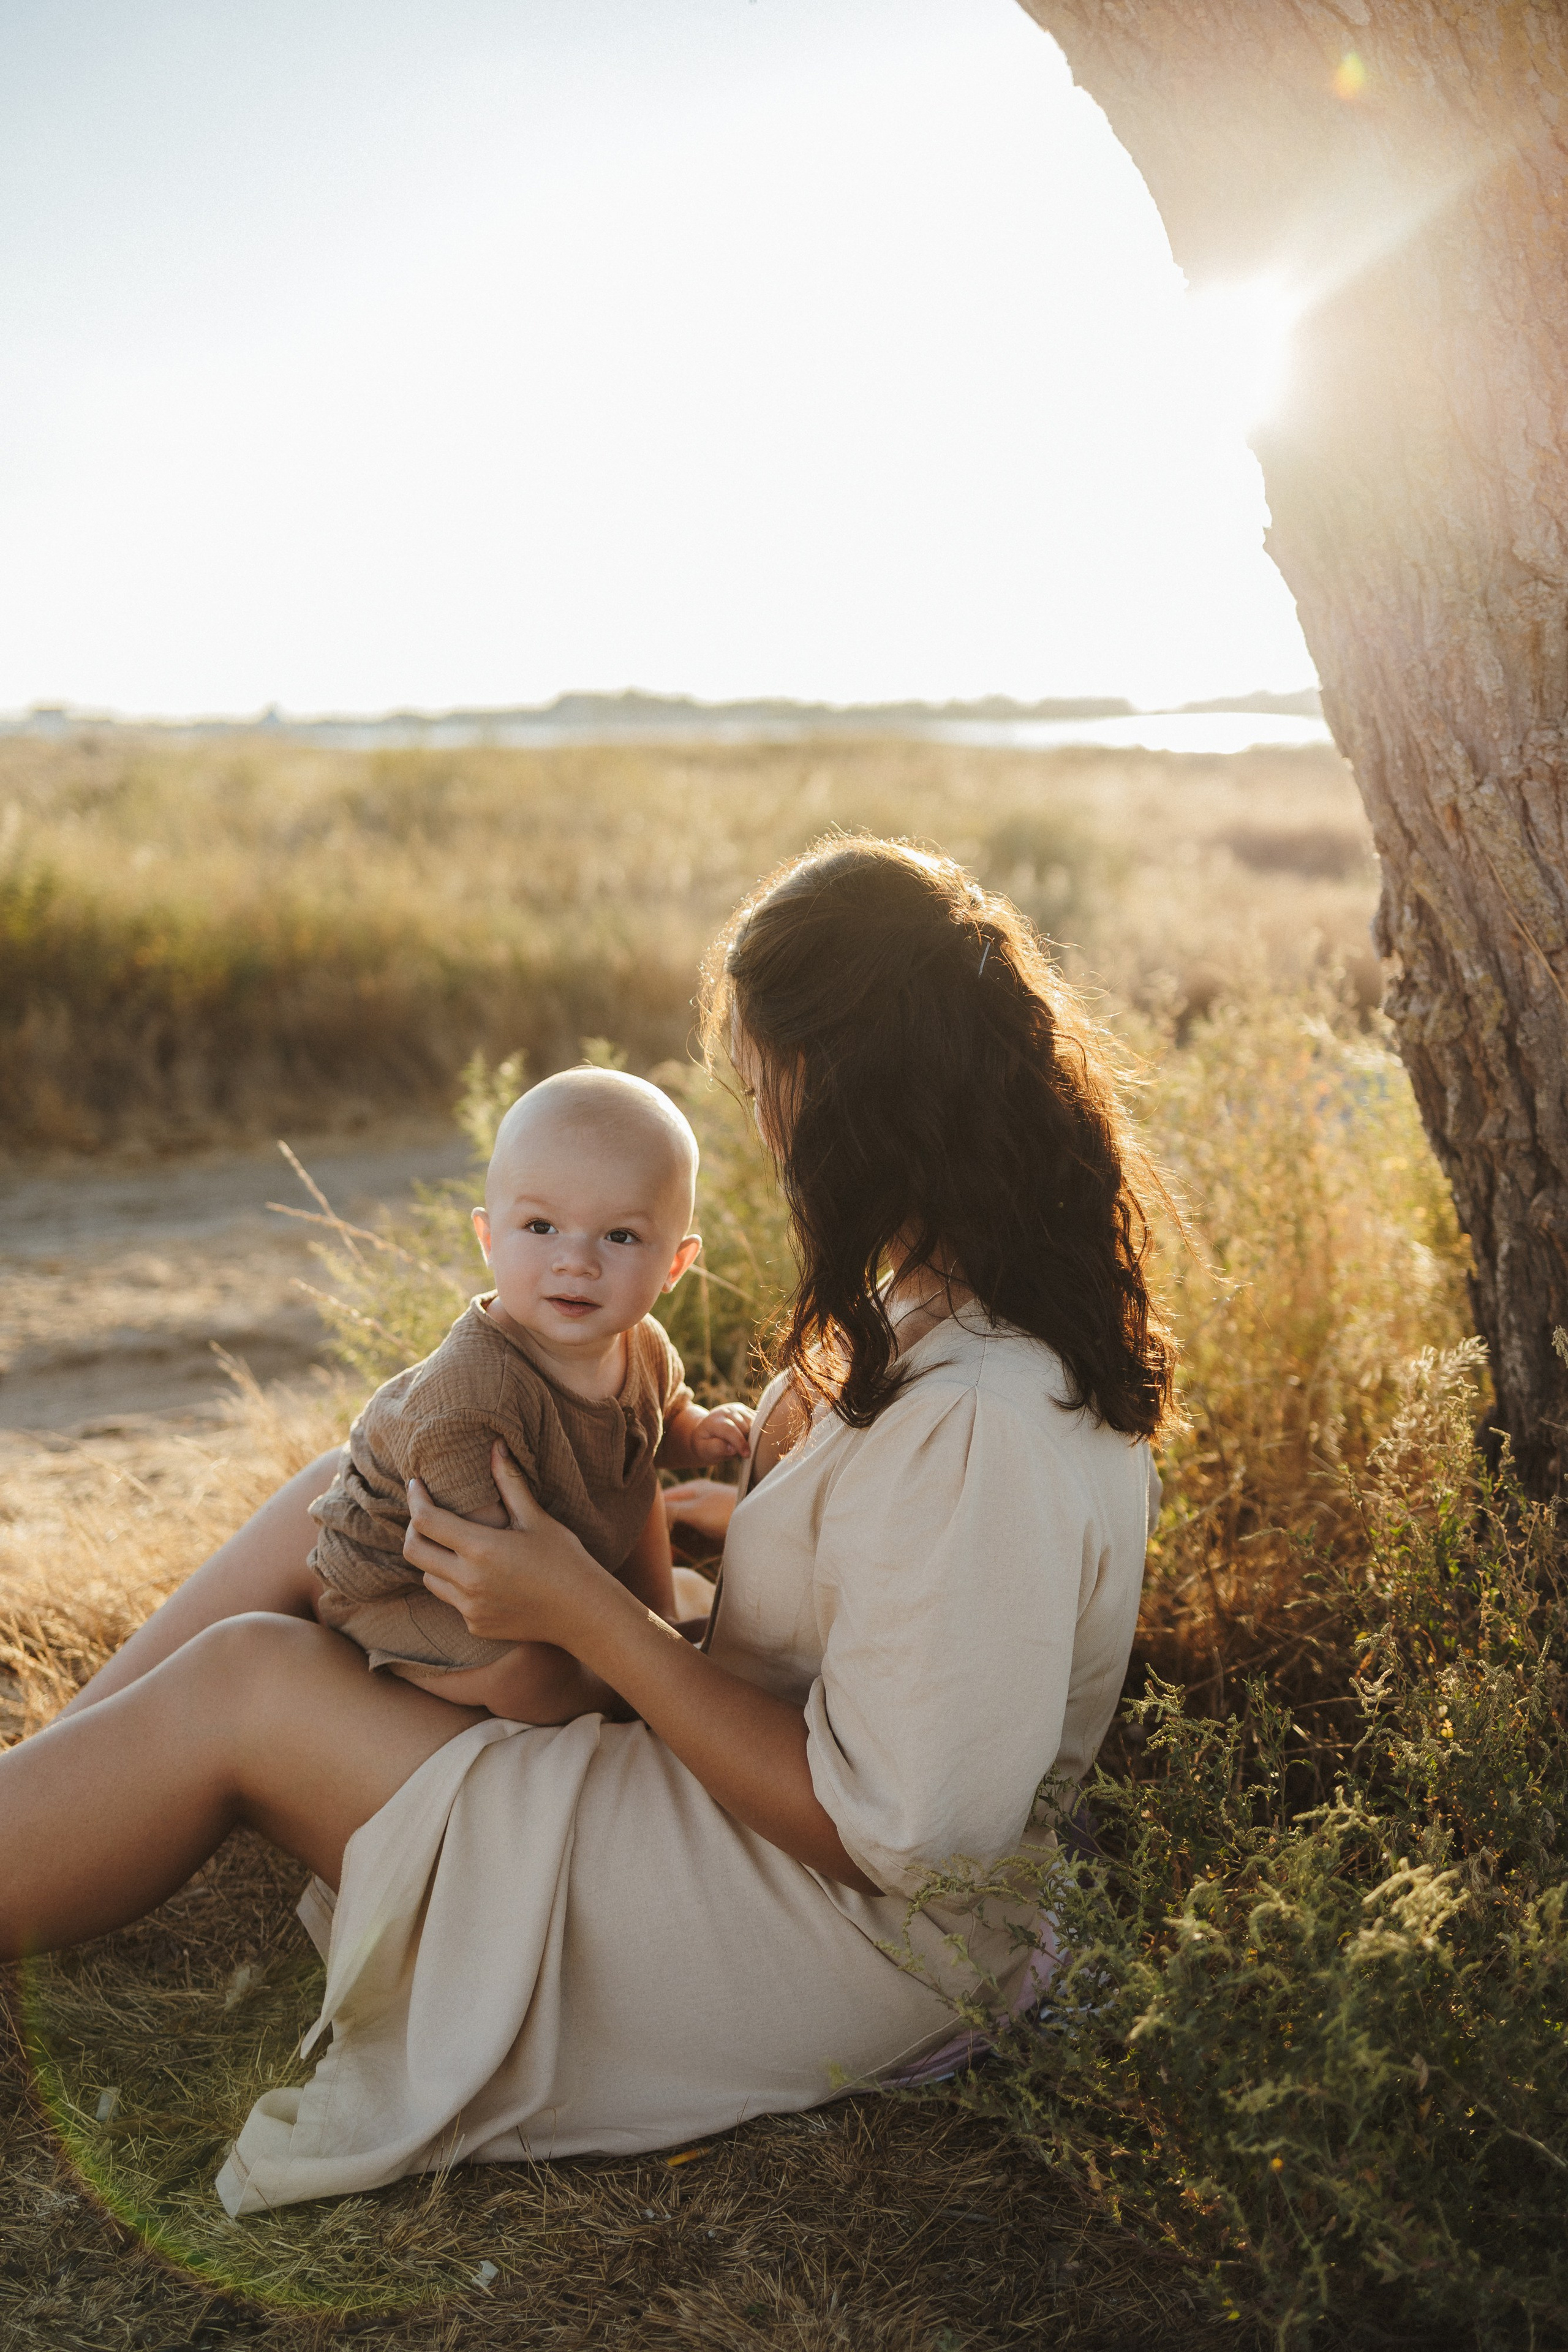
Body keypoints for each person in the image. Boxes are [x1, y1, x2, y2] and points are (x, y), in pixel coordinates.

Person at [0, 837, 1172, 2217]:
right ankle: (48, 1790)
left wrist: (588, 1613)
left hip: (828, 1933)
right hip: (771, 1824)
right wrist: (753, 1520)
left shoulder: (975, 1419)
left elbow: (891, 1840)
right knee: (339, 1490)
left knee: (244, 1686)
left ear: (853, 1099)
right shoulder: (947, 1304)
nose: (766, 1133)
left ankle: (67, 1803)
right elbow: (908, 1593)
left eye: (766, 1093)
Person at [307, 1064, 751, 1722]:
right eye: (541, 1227)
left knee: (635, 1496)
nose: (576, 1262)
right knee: (534, 1672)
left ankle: (652, 1657)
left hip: (548, 1564)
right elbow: (490, 1564)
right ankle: (613, 1697)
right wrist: (594, 1635)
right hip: (410, 1584)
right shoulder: (472, 1394)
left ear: (675, 1265)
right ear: (489, 1239)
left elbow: (661, 1419)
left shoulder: (643, 1345)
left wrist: (698, 1432)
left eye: (620, 1236)